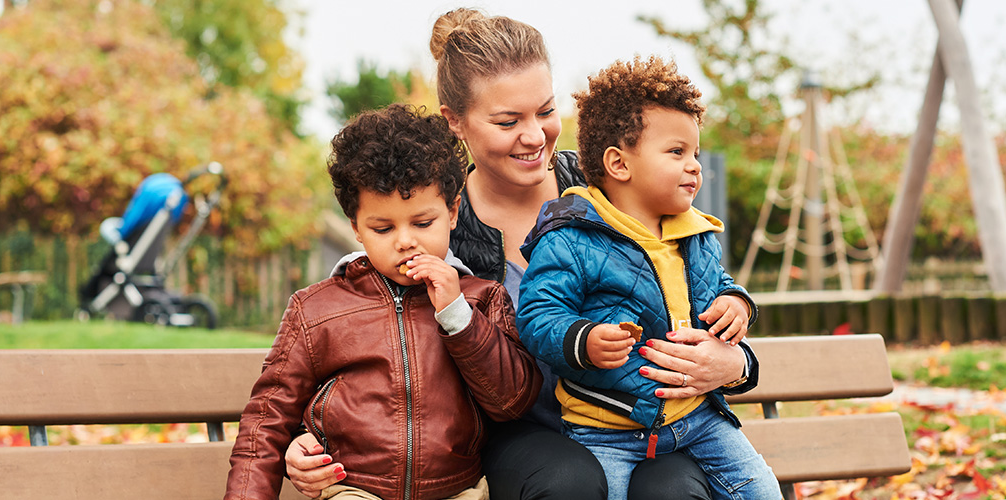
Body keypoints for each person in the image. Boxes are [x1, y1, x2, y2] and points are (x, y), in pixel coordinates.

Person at [285, 9, 760, 500]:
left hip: (640, 421)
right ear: (456, 122)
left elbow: (703, 287)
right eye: (508, 121)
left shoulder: (612, 186)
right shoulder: (437, 225)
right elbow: (372, 337)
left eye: (546, 111)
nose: (535, 136)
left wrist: (736, 363)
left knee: (672, 490)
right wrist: (306, 436)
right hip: (519, 431)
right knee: (567, 481)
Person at [224, 104, 542, 500]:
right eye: (382, 227)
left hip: (457, 491)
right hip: (354, 490)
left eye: (422, 223)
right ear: (356, 227)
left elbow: (512, 400)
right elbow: (267, 419)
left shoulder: (481, 298)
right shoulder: (317, 309)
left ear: (453, 211)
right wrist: (295, 450)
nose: (405, 241)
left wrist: (458, 316)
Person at [515, 55, 780, 500]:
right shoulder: (571, 238)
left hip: (699, 419)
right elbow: (539, 315)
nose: (695, 165)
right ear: (619, 164)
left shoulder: (694, 232)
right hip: (605, 430)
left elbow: (717, 283)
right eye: (677, 152)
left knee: (761, 491)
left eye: (694, 152)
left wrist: (736, 303)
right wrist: (584, 340)